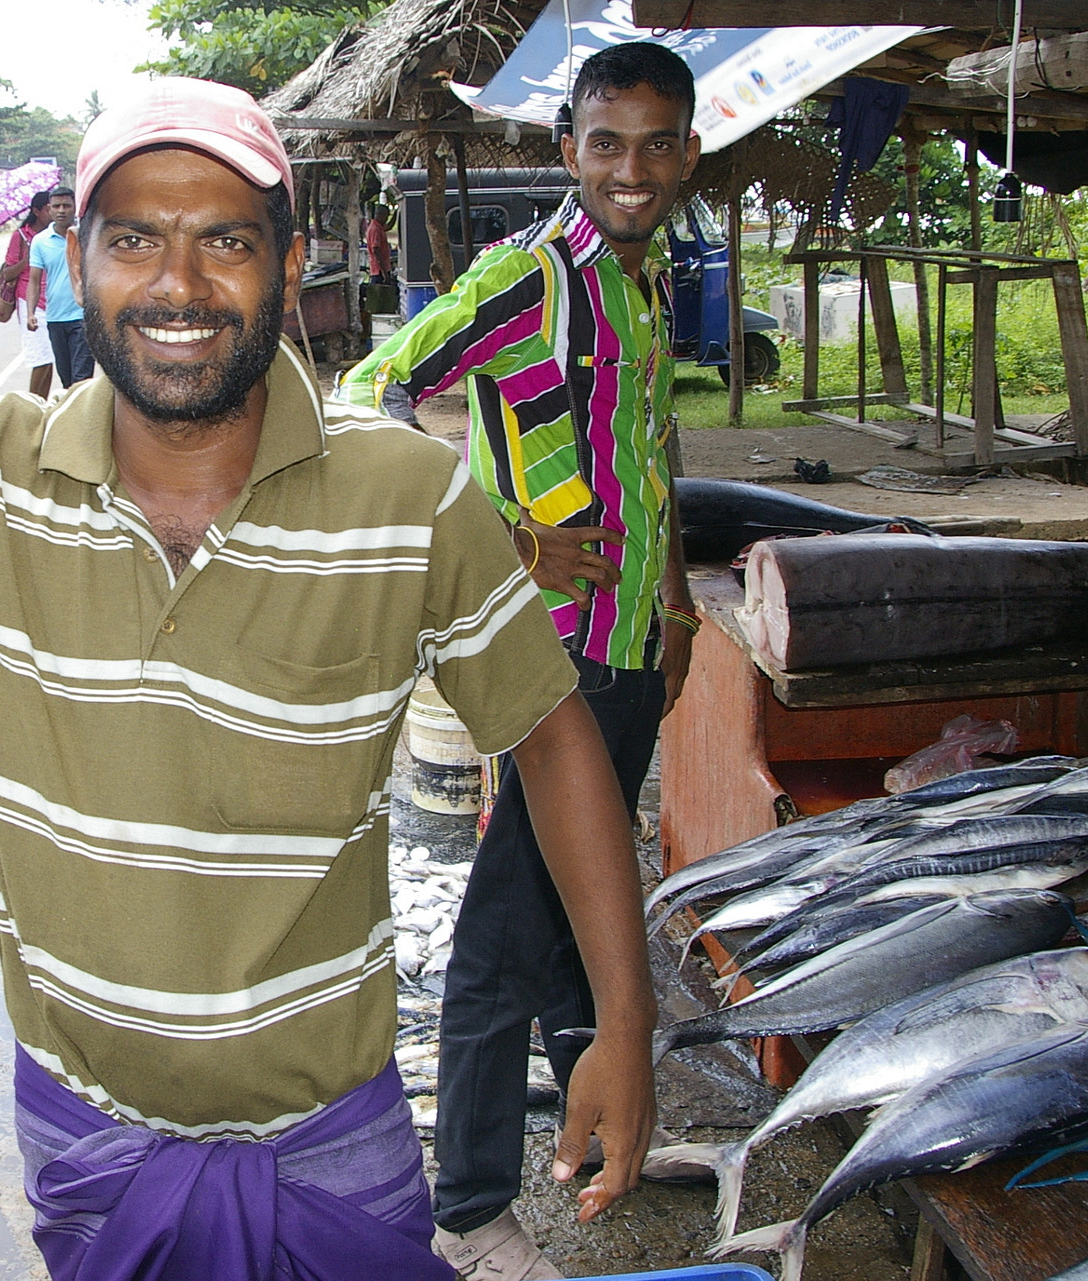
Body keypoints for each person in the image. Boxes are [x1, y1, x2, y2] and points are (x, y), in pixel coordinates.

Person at [0, 75, 655, 1281]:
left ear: (289, 258)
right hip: (86, 1141)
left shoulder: (406, 497)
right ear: (78, 256)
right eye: (134, 240)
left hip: (336, 1140)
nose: (179, 284)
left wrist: (621, 1018)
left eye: (224, 241)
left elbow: (552, 733)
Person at [334, 41, 700, 1280]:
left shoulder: (645, 289)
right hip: (546, 666)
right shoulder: (525, 279)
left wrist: (682, 600)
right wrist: (501, 540)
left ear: (687, 153)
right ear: (569, 153)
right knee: (501, 937)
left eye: (656, 144)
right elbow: (365, 399)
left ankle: (602, 1122)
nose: (631, 169)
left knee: (563, 905)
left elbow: (647, 461)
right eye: (607, 143)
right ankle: (470, 1208)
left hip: (634, 647)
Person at [25, 186, 94, 388]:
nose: (61, 210)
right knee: (66, 378)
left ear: (75, 207)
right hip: (55, 318)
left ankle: (82, 418)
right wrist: (31, 312)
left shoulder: (86, 237)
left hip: (82, 317)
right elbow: (34, 281)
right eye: (56, 206)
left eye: (66, 205)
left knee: (81, 379)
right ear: (50, 209)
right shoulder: (40, 242)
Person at [0, 189, 56, 397]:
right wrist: (29, 257)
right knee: (41, 359)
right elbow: (8, 271)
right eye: (48, 209)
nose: (53, 212)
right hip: (30, 302)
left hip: (54, 301)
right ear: (36, 211)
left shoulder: (55, 234)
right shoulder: (21, 237)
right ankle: (33, 404)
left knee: (51, 359)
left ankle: (43, 402)